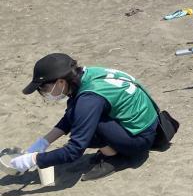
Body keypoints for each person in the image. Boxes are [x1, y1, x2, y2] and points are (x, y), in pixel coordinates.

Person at [10, 53, 158, 181]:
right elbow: (72, 114)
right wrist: (43, 142)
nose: (42, 93)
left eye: (44, 88)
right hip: (147, 126)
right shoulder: (86, 75)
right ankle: (114, 148)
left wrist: (34, 160)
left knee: (83, 123)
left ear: (61, 82)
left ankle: (115, 158)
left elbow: (74, 150)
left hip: (140, 140)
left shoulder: (88, 99)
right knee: (79, 114)